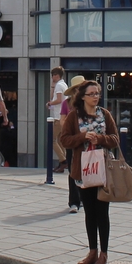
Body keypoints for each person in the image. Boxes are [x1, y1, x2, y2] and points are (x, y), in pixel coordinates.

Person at [60, 80, 119, 264]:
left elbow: (115, 139)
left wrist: (100, 138)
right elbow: (64, 140)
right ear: (83, 96)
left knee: (103, 212)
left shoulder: (105, 114)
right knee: (90, 212)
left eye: (97, 93)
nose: (95, 97)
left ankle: (103, 254)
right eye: (92, 94)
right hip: (83, 169)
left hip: (103, 169)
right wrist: (82, 137)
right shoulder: (73, 116)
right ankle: (92, 251)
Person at [61, 75, 85, 213]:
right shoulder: (67, 104)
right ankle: (74, 201)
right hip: (72, 140)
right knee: (72, 170)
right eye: (77, 89)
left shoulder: (87, 103)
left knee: (86, 169)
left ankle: (84, 198)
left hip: (85, 140)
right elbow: (62, 121)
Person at [47, 66, 68, 173]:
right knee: (60, 140)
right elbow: (53, 97)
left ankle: (63, 160)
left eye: (53, 75)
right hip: (63, 117)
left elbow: (58, 100)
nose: (52, 78)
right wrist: (52, 86)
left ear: (57, 75)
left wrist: (50, 104)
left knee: (52, 140)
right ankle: (63, 161)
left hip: (58, 117)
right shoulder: (63, 84)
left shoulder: (59, 86)